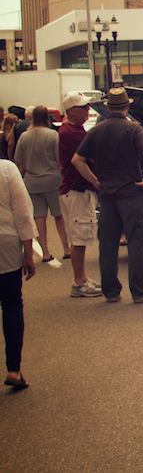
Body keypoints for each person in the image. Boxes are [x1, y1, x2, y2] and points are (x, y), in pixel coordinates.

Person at [71, 88, 143, 303]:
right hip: (131, 192)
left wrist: (94, 180)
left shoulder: (96, 131)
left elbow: (77, 160)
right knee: (136, 242)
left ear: (108, 106)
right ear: (127, 106)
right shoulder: (134, 129)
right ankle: (140, 291)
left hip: (107, 194)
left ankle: (111, 291)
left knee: (108, 244)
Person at [58, 92, 102, 297]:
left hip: (77, 189)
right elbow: (91, 157)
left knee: (81, 236)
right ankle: (78, 283)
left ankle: (82, 277)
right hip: (76, 190)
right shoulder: (71, 132)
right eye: (83, 107)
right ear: (71, 111)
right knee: (79, 238)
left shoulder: (74, 129)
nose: (87, 110)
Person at [14, 105, 70, 262]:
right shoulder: (53, 135)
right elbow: (60, 160)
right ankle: (66, 248)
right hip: (52, 180)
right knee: (58, 215)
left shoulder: (24, 137)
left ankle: (45, 252)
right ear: (47, 117)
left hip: (32, 182)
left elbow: (19, 163)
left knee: (39, 217)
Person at [0, 157, 36, 389]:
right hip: (5, 242)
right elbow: (22, 210)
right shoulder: (7, 169)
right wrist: (28, 251)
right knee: (12, 304)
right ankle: (14, 369)